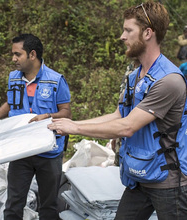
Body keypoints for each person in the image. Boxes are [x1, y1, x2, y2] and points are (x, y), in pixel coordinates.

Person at [48, 2, 187, 219]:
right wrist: (70, 125)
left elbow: (127, 127)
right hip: (139, 177)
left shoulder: (169, 80)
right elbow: (118, 116)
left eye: (129, 30)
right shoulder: (135, 77)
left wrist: (75, 128)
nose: (122, 36)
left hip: (168, 181)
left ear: (148, 33)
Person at [0, 33, 71, 220]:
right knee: (14, 203)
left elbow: (66, 112)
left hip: (49, 152)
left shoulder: (55, 80)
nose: (13, 59)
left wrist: (47, 116)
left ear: (32, 55)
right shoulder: (14, 78)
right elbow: (10, 103)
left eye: (17, 54)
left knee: (48, 205)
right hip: (20, 151)